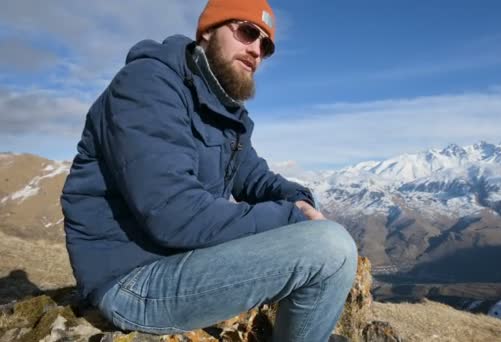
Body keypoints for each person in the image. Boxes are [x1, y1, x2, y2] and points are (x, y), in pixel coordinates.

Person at [60, 0, 358, 341]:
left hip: (179, 262)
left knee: (323, 236)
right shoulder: (147, 86)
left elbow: (254, 177)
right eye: (248, 32)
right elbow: (173, 213)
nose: (256, 50)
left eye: (266, 45)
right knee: (330, 249)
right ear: (207, 31)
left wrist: (301, 199)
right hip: (131, 281)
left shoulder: (225, 110)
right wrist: (293, 217)